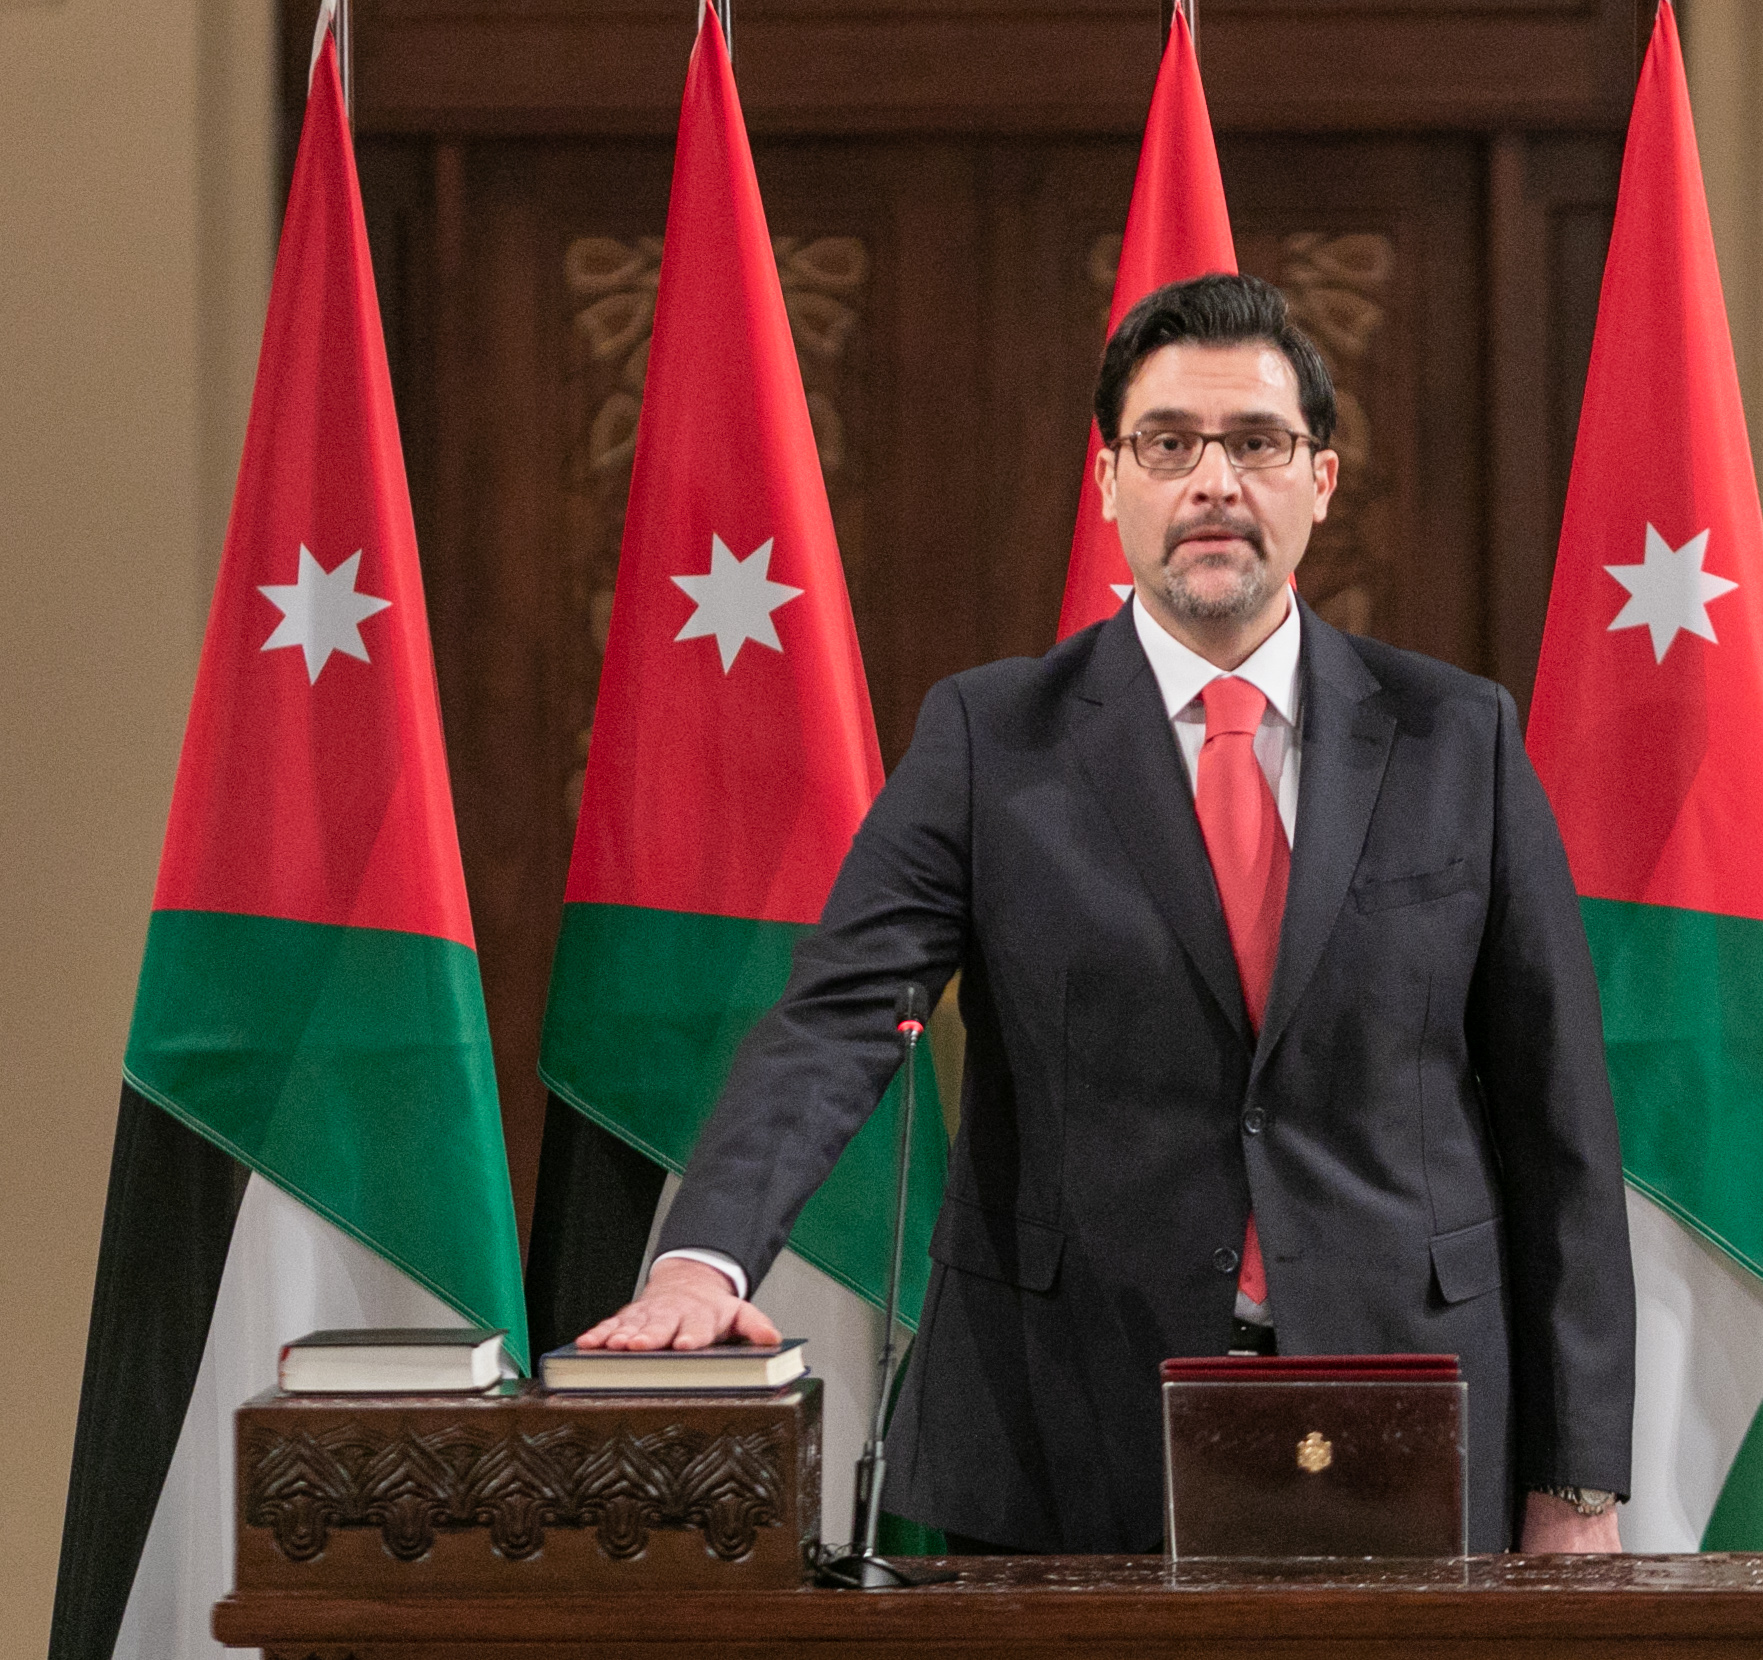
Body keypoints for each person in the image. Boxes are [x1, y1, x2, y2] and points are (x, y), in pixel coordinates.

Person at [578, 274, 1635, 1555]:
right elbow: (842, 1017)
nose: (1212, 481)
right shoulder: (990, 737)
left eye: (1255, 443)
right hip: (1064, 1417)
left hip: (1405, 1405)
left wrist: (1575, 1483)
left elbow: (1557, 1123)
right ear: (1109, 483)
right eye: (1167, 443)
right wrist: (705, 1259)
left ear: (1320, 481)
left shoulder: (1455, 736)